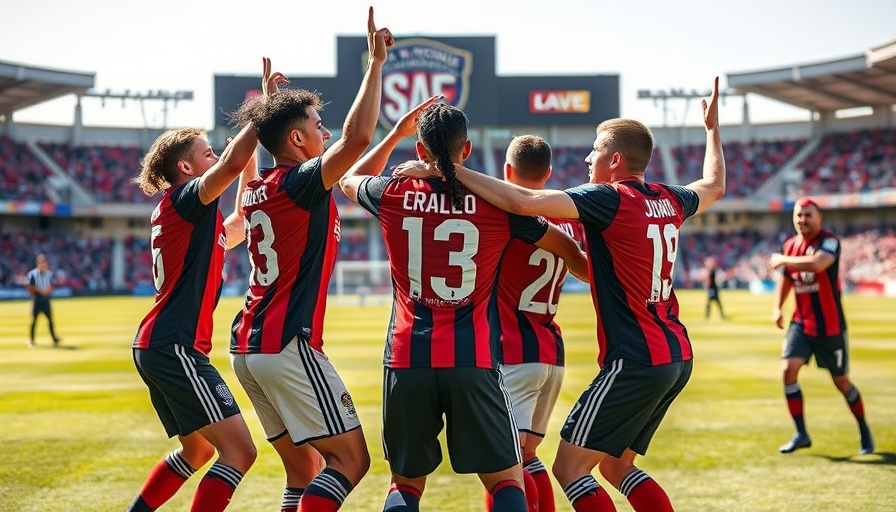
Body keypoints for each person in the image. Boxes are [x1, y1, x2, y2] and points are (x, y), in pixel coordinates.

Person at [440, 77, 725, 511]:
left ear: (613, 160)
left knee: (570, 469)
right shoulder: (669, 198)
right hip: (676, 355)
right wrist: (712, 131)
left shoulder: (607, 198)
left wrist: (448, 168)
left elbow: (521, 202)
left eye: (594, 150)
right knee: (615, 467)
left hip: (634, 357)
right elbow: (714, 185)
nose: (588, 157)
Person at [338, 101, 588, 512]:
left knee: (405, 484)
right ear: (467, 150)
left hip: (406, 357)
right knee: (507, 478)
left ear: (419, 150)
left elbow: (350, 177)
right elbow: (567, 248)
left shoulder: (391, 192)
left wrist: (395, 136)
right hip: (474, 358)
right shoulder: (499, 207)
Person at [228, 9, 393, 511]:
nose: (325, 134)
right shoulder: (301, 183)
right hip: (287, 343)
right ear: (297, 140)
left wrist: (269, 109)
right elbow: (357, 141)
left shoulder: (260, 189)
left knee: (303, 471)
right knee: (350, 461)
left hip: (247, 347)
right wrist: (376, 64)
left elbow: (357, 160)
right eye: (318, 127)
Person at [126, 58, 270, 512]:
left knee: (199, 451)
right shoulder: (186, 199)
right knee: (240, 451)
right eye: (206, 152)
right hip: (175, 345)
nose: (215, 157)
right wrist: (262, 110)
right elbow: (230, 166)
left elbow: (244, 218)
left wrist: (248, 161)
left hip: (160, 342)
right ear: (186, 167)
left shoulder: (189, 215)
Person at [484, 135, 585, 512]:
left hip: (511, 348)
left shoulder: (503, 213)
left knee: (503, 464)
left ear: (507, 170)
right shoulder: (567, 217)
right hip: (549, 350)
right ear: (549, 173)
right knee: (527, 455)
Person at [768, 196, 873, 455]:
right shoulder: (790, 245)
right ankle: (801, 433)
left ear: (819, 218)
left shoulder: (829, 241)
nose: (802, 220)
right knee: (787, 370)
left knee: (842, 383)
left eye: (808, 215)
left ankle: (863, 429)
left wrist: (782, 259)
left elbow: (818, 264)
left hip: (830, 327)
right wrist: (778, 307)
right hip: (801, 324)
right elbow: (787, 280)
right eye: (799, 216)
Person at [26, 253, 61, 347]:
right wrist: (40, 291)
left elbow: (53, 285)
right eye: (41, 263)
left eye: (44, 263)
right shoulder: (32, 274)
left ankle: (54, 338)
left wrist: (47, 291)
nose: (43, 265)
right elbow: (29, 286)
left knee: (50, 320)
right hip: (37, 299)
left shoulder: (49, 274)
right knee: (34, 320)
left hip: (46, 300)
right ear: (38, 264)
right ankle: (31, 339)